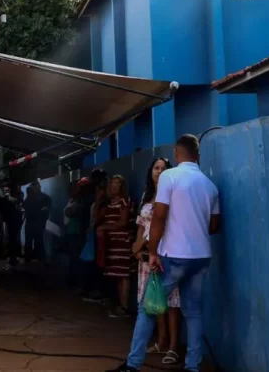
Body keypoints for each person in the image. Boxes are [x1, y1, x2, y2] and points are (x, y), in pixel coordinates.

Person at [108, 135, 221, 372]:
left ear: (177, 154)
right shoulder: (209, 185)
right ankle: (192, 366)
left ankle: (133, 364)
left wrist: (152, 252)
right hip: (201, 257)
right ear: (197, 156)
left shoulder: (170, 177)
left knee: (148, 307)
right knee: (193, 311)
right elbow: (214, 226)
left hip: (173, 255)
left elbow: (159, 215)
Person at [132, 158, 182, 365]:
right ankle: (161, 342)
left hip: (165, 255)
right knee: (153, 302)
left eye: (164, 168)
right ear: (150, 171)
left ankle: (173, 347)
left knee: (171, 303)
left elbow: (169, 226)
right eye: (156, 168)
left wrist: (144, 243)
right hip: (146, 258)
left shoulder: (174, 196)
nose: (160, 172)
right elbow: (142, 225)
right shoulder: (147, 197)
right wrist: (136, 247)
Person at [96, 175, 133, 318]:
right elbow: (97, 217)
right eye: (111, 183)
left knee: (123, 275)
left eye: (116, 184)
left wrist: (104, 227)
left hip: (122, 243)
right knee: (118, 275)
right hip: (112, 244)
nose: (113, 186)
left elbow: (123, 222)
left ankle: (124, 307)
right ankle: (121, 306)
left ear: (121, 186)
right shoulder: (110, 203)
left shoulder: (124, 202)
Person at [23, 180, 51, 263]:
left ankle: (38, 257)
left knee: (37, 241)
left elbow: (46, 210)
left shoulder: (43, 198)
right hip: (32, 222)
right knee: (32, 241)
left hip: (37, 222)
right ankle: (34, 257)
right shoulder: (30, 198)